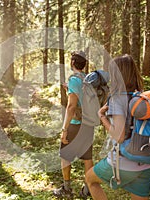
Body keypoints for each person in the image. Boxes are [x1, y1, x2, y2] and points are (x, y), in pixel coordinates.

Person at [85, 55, 150, 200]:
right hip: (147, 164)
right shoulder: (142, 97)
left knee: (90, 179)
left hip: (123, 162)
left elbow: (120, 136)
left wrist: (102, 117)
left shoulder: (117, 98)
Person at [53, 51, 93, 199]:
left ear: (73, 63)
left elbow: (71, 107)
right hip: (88, 124)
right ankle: (88, 188)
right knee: (88, 157)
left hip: (75, 124)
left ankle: (67, 188)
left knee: (65, 155)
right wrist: (68, 89)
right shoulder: (87, 79)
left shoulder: (74, 80)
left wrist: (64, 129)